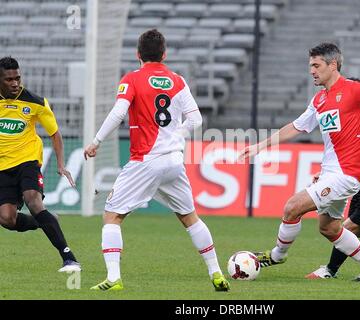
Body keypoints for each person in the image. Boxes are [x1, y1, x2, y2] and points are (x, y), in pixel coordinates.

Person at [239, 43, 360, 282]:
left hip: (347, 175)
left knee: (292, 207)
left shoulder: (355, 90)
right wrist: (261, 145)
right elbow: (296, 126)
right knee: (329, 228)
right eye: (310, 66)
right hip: (331, 174)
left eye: (316, 65)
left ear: (332, 65)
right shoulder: (320, 100)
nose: (312, 71)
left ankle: (277, 255)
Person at [84, 29, 230, 291]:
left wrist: (95, 141)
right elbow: (196, 120)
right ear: (164, 54)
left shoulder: (132, 79)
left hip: (146, 160)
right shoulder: (177, 80)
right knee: (190, 217)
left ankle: (114, 277)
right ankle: (216, 273)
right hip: (174, 161)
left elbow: (118, 114)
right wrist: (177, 134)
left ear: (137, 54)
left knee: (112, 217)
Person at [0, 56, 81, 272]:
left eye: (17, 78)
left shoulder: (35, 102)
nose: (15, 83)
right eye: (9, 80)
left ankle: (69, 258)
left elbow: (55, 134)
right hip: (3, 167)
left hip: (28, 161)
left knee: (33, 201)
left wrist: (61, 165)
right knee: (7, 219)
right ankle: (45, 221)